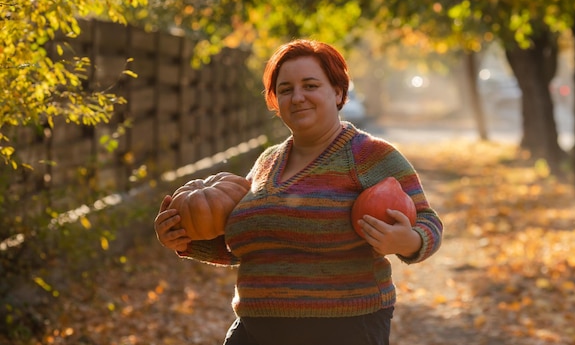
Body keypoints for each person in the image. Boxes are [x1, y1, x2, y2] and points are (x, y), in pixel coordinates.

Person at [154, 39, 443, 345]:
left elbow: (428, 221)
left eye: (310, 85)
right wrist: (184, 241)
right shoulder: (267, 162)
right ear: (275, 101)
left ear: (338, 91)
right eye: (286, 89)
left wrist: (409, 241)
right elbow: (252, 245)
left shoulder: (369, 155)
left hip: (343, 329)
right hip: (256, 329)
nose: (298, 97)